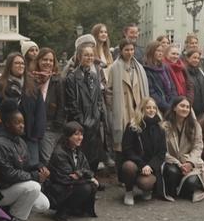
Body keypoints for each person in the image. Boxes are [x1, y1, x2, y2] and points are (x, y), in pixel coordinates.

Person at [0, 102, 51, 221]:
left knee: (43, 204)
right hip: (2, 189)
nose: (22, 126)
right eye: (17, 123)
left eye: (23, 122)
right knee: (34, 186)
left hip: (16, 186)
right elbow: (8, 174)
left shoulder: (20, 141)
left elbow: (25, 166)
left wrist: (39, 167)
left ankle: (8, 211)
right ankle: (14, 217)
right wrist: (35, 176)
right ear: (7, 124)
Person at [0, 52, 46, 165]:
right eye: (16, 63)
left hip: (30, 134)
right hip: (7, 136)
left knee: (32, 166)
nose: (20, 66)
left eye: (22, 63)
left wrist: (37, 134)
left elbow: (40, 111)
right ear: (9, 65)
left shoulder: (33, 85)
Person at [44, 121, 98, 221]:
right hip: (57, 188)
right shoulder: (59, 153)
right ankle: (62, 212)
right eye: (76, 134)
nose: (80, 137)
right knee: (86, 187)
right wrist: (87, 178)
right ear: (68, 136)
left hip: (71, 184)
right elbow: (65, 177)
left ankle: (76, 209)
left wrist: (80, 174)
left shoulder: (78, 151)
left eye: (81, 134)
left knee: (92, 185)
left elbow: (88, 170)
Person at [65, 44, 106, 172]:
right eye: (86, 55)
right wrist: (81, 121)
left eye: (91, 55)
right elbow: (71, 101)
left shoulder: (94, 76)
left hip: (94, 121)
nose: (89, 58)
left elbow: (99, 99)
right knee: (81, 154)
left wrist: (98, 114)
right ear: (79, 57)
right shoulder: (72, 77)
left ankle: (92, 176)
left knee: (94, 155)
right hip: (81, 123)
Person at [160, 97, 204, 202]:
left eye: (187, 107)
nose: (185, 109)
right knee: (172, 172)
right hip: (171, 161)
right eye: (182, 106)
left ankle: (182, 189)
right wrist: (178, 164)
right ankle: (172, 190)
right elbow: (161, 149)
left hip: (189, 161)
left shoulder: (195, 125)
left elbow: (198, 146)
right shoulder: (165, 126)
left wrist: (190, 163)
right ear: (174, 108)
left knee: (191, 182)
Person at [119, 97, 165, 206]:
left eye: (154, 108)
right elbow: (127, 149)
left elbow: (162, 152)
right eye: (148, 108)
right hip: (135, 163)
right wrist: (142, 164)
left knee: (146, 183)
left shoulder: (160, 127)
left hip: (150, 167)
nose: (151, 110)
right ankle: (129, 191)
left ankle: (146, 190)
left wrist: (150, 166)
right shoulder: (132, 126)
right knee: (128, 167)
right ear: (142, 109)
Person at [107, 39, 149, 154]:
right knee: (124, 141)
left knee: (138, 138)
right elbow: (109, 90)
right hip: (122, 108)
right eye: (126, 50)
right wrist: (114, 106)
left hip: (137, 107)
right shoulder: (114, 67)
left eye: (131, 49)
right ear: (121, 51)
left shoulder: (139, 68)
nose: (130, 52)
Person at [33, 48, 66, 165]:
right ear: (38, 61)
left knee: (48, 160)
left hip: (50, 127)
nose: (48, 63)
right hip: (34, 127)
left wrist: (56, 124)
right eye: (44, 59)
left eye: (51, 60)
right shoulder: (32, 79)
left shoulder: (58, 81)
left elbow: (62, 105)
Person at [143, 41, 178, 113]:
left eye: (162, 51)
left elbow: (172, 86)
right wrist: (166, 106)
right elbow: (151, 91)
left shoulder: (165, 67)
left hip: (170, 105)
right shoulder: (146, 69)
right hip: (156, 107)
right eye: (158, 51)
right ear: (151, 52)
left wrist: (172, 103)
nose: (160, 53)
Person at [184, 49, 204, 119]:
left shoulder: (201, 71)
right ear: (188, 58)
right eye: (194, 58)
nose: (196, 60)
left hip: (203, 108)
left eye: (198, 58)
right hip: (191, 108)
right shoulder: (184, 71)